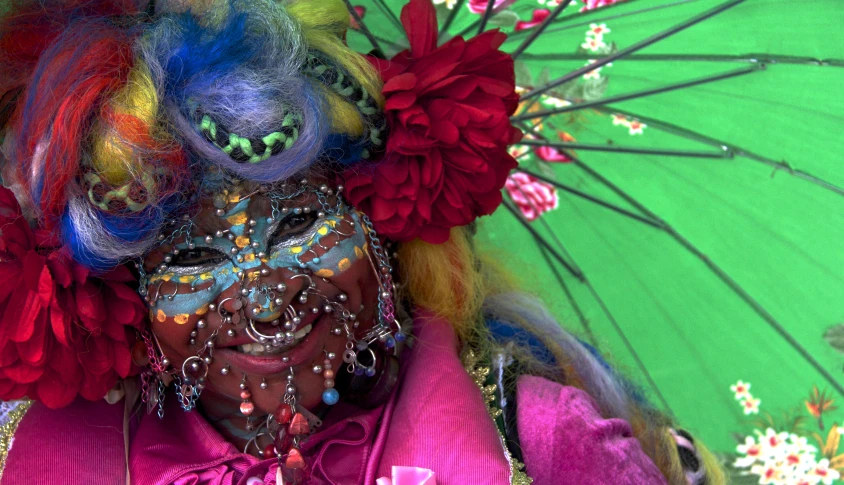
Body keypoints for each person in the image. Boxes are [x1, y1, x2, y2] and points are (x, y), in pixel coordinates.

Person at [0, 0, 726, 483]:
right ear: (135, 307)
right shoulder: (46, 462)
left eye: (296, 223)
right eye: (193, 259)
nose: (261, 298)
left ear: (382, 236)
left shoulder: (539, 434)